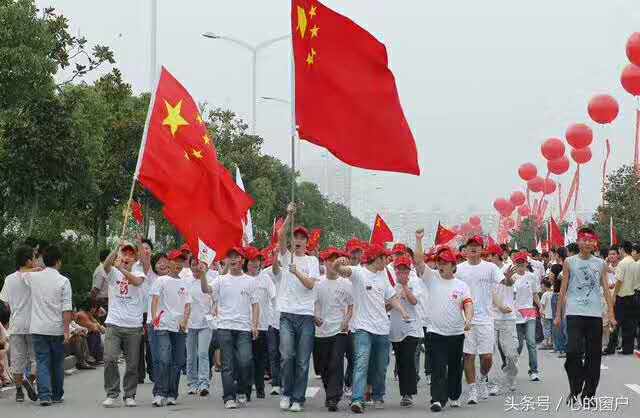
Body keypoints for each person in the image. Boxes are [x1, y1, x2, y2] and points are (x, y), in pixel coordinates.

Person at [334, 243, 410, 414]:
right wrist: (338, 264)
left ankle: (378, 394)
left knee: (381, 365)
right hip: (362, 327)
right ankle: (358, 399)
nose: (387, 260)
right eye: (385, 257)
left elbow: (391, 297)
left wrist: (403, 310)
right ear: (377, 258)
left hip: (382, 329)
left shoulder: (383, 274)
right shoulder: (359, 273)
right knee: (361, 363)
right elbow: (342, 271)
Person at [555, 228, 616, 406]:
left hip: (594, 314)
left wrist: (611, 314)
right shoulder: (569, 262)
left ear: (595, 243)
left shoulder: (600, 264)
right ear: (579, 241)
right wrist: (558, 314)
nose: (587, 243)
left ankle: (588, 395)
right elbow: (563, 290)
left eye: (591, 240)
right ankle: (575, 388)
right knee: (572, 352)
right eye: (584, 239)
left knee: (594, 356)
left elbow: (605, 290)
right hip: (574, 313)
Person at [414, 232, 473, 412]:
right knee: (438, 367)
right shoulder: (431, 278)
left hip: (455, 333)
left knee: (455, 367)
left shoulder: (461, 285)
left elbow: (467, 304)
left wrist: (468, 320)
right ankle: (437, 399)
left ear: (453, 265)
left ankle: (454, 395)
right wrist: (418, 240)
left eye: (445, 262)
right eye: (439, 262)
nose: (441, 265)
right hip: (435, 332)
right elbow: (418, 261)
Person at [272, 203, 320, 413]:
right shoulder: (285, 256)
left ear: (307, 242)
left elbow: (310, 284)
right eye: (296, 237)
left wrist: (297, 273)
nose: (298, 240)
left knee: (302, 360)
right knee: (287, 355)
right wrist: (289, 215)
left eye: (302, 238)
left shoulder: (312, 261)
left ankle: (298, 398)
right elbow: (280, 234)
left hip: (306, 316)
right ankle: (286, 393)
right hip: (287, 315)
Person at [199, 247, 258, 409]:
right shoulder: (221, 280)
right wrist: (203, 274)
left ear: (242, 260)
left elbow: (255, 305)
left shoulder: (250, 281)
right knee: (227, 364)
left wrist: (255, 324)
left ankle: (241, 390)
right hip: (224, 327)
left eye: (236, 257)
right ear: (226, 261)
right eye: (230, 257)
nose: (233, 260)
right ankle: (229, 397)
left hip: (244, 328)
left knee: (245, 361)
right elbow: (206, 290)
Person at [456, 236, 513, 404]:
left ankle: (482, 379)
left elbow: (507, 283)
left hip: (486, 318)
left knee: (487, 357)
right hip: (466, 319)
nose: (473, 248)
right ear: (465, 250)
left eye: (477, 246)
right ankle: (473, 388)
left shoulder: (490, 268)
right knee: (468, 356)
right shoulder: (459, 269)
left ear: (482, 249)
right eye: (470, 246)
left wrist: (509, 278)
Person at [24, 245, 73, 406]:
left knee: (42, 361)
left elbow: (22, 273)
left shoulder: (34, 278)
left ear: (44, 260)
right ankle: (57, 394)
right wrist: (66, 331)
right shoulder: (64, 281)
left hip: (38, 327)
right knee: (57, 362)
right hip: (56, 328)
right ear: (59, 261)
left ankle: (44, 395)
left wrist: (37, 269)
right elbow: (66, 309)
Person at [100, 241, 146, 408]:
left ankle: (129, 395)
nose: (127, 257)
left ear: (135, 258)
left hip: (133, 326)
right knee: (110, 358)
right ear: (120, 255)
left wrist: (122, 268)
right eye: (124, 253)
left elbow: (136, 282)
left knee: (132, 364)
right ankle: (112, 393)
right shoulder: (113, 271)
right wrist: (115, 248)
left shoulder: (139, 271)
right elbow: (105, 266)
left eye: (130, 254)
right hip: (114, 323)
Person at [150, 249, 192, 407]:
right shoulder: (161, 281)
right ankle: (160, 393)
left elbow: (188, 305)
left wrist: (185, 321)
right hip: (163, 325)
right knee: (164, 358)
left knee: (178, 361)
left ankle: (172, 394)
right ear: (169, 262)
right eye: (176, 261)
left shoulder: (184, 283)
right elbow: (155, 299)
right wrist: (154, 317)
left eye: (181, 262)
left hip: (179, 327)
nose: (179, 264)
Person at [314, 247, 353, 412]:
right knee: (322, 366)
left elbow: (351, 306)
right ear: (325, 262)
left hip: (339, 329)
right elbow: (314, 303)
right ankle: (330, 389)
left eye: (336, 260)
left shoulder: (346, 283)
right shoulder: (318, 282)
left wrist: (346, 320)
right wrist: (315, 317)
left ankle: (333, 398)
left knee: (336, 362)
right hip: (321, 330)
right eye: (330, 260)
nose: (333, 263)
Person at [0, 244, 38, 402]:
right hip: (33, 324)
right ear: (28, 260)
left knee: (17, 360)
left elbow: (5, 302)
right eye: (34, 258)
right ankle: (29, 380)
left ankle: (19, 391)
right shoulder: (35, 276)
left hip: (15, 325)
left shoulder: (9, 279)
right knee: (35, 358)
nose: (36, 261)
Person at [388, 255, 424, 408]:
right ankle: (404, 393)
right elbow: (386, 307)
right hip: (395, 329)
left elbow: (414, 301)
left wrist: (404, 287)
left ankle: (408, 393)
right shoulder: (389, 285)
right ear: (395, 271)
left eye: (405, 270)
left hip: (412, 328)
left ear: (409, 271)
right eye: (399, 270)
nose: (402, 273)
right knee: (401, 362)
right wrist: (392, 302)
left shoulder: (416, 283)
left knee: (408, 359)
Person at [487, 245, 519, 394]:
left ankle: (510, 375)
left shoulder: (509, 267)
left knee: (511, 352)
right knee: (490, 351)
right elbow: (490, 293)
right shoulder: (486, 271)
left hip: (508, 317)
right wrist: (499, 306)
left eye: (491, 256)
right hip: (492, 316)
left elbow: (510, 283)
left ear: (498, 256)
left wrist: (507, 278)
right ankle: (492, 383)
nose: (488, 258)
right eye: (487, 256)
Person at [244, 246, 273, 399]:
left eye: (257, 260)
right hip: (243, 325)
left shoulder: (266, 278)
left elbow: (273, 297)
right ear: (246, 262)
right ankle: (247, 390)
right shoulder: (241, 278)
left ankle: (260, 387)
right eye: (252, 260)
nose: (255, 263)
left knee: (259, 358)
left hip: (261, 325)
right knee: (246, 359)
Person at [185, 256, 214, 397]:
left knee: (202, 353)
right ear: (189, 265)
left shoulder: (210, 280)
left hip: (205, 323)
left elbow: (210, 293)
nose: (196, 266)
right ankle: (192, 383)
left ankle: (203, 383)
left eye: (198, 264)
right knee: (191, 355)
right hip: (190, 324)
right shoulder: (186, 281)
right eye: (193, 263)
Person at [513, 252, 541, 381]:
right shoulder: (511, 278)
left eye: (522, 263)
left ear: (526, 264)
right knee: (518, 345)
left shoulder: (532, 277)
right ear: (515, 264)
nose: (520, 266)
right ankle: (512, 366)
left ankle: (534, 371)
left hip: (529, 311)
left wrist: (541, 307)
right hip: (516, 313)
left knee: (531, 342)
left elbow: (535, 294)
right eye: (518, 264)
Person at [612, 241, 640, 355]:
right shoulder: (634, 262)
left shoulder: (622, 263)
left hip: (622, 297)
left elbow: (619, 281)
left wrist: (614, 295)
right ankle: (627, 348)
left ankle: (611, 346)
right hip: (633, 295)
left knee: (615, 323)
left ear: (622, 249)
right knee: (630, 324)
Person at [540, 279, 554, 350]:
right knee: (552, 329)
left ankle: (546, 342)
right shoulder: (553, 293)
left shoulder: (545, 294)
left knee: (546, 329)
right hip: (552, 314)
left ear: (545, 286)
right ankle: (551, 342)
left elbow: (542, 305)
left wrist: (541, 312)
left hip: (546, 314)